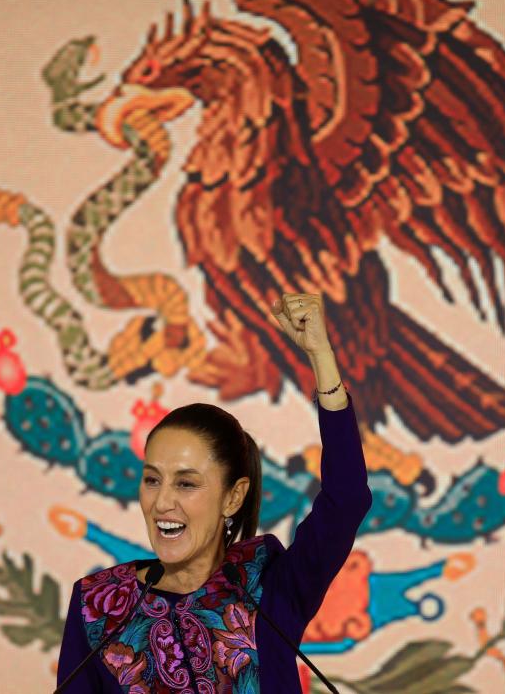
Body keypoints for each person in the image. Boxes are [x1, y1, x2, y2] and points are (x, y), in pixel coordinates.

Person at [55, 292, 373, 692]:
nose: (162, 501)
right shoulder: (99, 606)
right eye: (152, 479)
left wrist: (321, 359)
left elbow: (346, 500)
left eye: (186, 483)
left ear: (233, 497)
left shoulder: (268, 585)